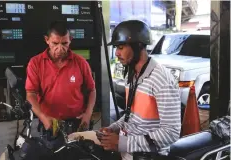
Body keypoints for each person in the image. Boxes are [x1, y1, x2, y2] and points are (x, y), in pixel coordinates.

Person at [98, 20, 181, 159]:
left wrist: (123, 142)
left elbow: (171, 132)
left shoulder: (161, 79)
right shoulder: (132, 74)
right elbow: (131, 116)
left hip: (150, 156)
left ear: (139, 46)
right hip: (128, 153)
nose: (117, 53)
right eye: (116, 48)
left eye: (121, 47)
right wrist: (113, 128)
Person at [25, 21, 96, 132]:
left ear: (70, 40)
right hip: (49, 122)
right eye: (55, 43)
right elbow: (30, 94)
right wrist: (44, 119)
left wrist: (88, 114)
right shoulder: (35, 63)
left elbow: (92, 90)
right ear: (47, 40)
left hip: (77, 122)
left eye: (64, 43)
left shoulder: (81, 63)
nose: (60, 48)